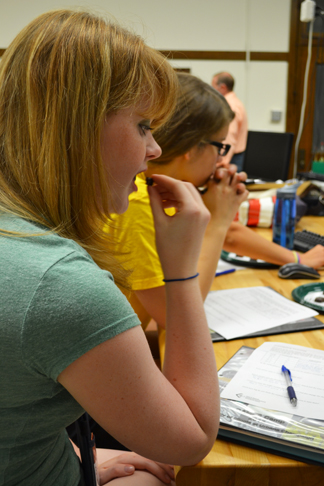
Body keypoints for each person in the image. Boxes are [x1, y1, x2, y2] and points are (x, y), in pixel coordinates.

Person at [0, 10, 246, 486]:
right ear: (78, 126)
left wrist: (69, 448)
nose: (154, 148)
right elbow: (192, 439)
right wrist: (180, 269)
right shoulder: (60, 283)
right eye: (142, 126)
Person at [108, 73, 324, 330]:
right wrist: (219, 220)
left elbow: (231, 234)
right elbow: (177, 317)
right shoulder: (139, 202)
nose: (223, 160)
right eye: (220, 146)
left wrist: (298, 262)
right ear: (190, 148)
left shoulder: (156, 185)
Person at [211, 71, 248, 171]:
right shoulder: (236, 102)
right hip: (234, 156)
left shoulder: (229, 106)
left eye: (213, 86)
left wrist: (222, 161)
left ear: (222, 87)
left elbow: (229, 135)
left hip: (230, 158)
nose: (212, 91)